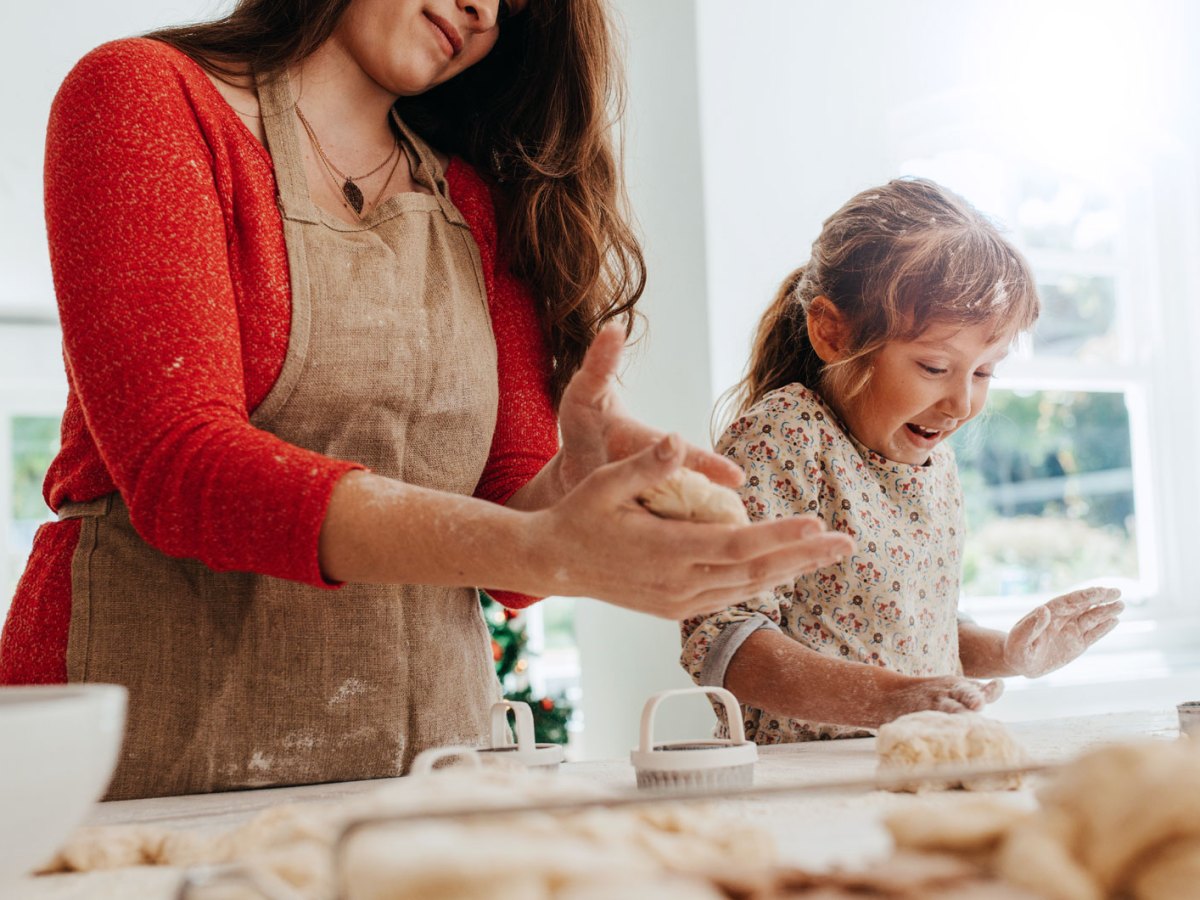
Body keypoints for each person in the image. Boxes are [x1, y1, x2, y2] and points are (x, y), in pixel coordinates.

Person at [0, 0, 852, 798]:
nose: (484, 9)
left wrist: (568, 487)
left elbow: (505, 525)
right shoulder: (144, 95)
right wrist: (538, 546)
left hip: (418, 772)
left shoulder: (475, 203)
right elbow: (180, 466)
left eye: (514, 6)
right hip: (142, 754)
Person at [682, 178, 1124, 743]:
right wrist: (889, 700)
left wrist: (1011, 652)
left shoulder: (934, 465)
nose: (962, 403)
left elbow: (922, 630)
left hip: (905, 768)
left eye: (985, 371)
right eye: (935, 367)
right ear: (831, 333)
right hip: (799, 785)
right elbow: (724, 640)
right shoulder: (788, 436)